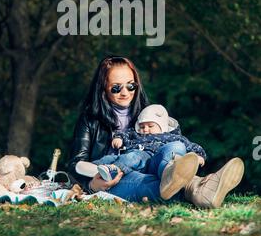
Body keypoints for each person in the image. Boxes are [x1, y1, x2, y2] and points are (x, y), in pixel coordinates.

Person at [67, 56, 244, 207]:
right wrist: (91, 185)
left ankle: (191, 185)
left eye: (131, 86)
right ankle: (199, 188)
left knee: (176, 145)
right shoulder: (90, 119)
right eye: (116, 88)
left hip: (153, 167)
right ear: (103, 89)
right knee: (156, 187)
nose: (125, 92)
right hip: (114, 178)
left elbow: (171, 139)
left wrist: (193, 153)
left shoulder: (147, 113)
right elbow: (76, 163)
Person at [75, 104, 207, 200]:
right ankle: (98, 167)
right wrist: (119, 139)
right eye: (142, 126)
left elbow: (191, 146)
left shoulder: (172, 137)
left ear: (163, 126)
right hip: (137, 159)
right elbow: (125, 134)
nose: (145, 129)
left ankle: (169, 173)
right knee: (122, 157)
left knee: (176, 147)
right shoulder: (136, 135)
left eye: (150, 126)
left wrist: (199, 155)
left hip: (155, 160)